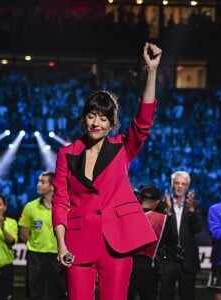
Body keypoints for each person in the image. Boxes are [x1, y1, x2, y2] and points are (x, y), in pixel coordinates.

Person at [52, 42, 162, 300]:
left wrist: (152, 71)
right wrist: (61, 244)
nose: (96, 123)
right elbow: (60, 200)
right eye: (92, 115)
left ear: (112, 123)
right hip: (78, 243)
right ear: (83, 118)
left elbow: (143, 122)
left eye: (103, 118)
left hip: (117, 243)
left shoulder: (122, 148)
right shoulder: (66, 153)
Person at [18, 171, 67, 300]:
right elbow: (23, 232)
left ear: (52, 186)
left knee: (59, 293)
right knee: (34, 294)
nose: (38, 184)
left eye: (42, 182)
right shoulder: (30, 206)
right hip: (36, 256)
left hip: (58, 256)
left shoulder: (65, 207)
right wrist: (35, 244)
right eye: (39, 181)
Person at [158, 170, 204, 300]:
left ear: (187, 187)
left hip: (188, 259)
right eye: (177, 183)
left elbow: (198, 229)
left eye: (183, 184)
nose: (179, 186)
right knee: (165, 296)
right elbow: (161, 233)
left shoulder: (195, 205)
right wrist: (168, 212)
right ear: (172, 185)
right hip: (168, 259)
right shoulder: (163, 204)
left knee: (188, 295)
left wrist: (191, 212)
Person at [128, 184, 169, 300]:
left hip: (128, 266)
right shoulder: (163, 219)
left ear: (139, 198)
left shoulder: (128, 215)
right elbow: (171, 241)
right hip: (149, 268)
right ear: (156, 202)